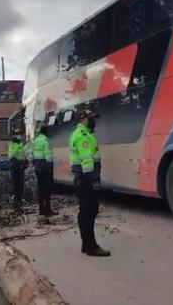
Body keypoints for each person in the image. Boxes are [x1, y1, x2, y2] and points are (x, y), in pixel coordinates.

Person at [69, 110, 111, 257]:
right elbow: (87, 160)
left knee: (85, 211)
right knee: (89, 211)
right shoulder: (83, 137)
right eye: (91, 118)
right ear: (83, 120)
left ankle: (86, 244)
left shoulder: (77, 134)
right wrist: (93, 180)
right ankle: (91, 246)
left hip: (82, 179)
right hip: (87, 179)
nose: (93, 120)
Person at [32, 125, 57, 217]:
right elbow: (48, 157)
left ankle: (41, 209)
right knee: (47, 188)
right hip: (45, 167)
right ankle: (47, 209)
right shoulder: (46, 141)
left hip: (38, 166)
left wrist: (35, 163)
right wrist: (50, 167)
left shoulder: (35, 141)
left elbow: (31, 154)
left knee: (40, 188)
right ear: (46, 132)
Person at [8, 134, 27, 212]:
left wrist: (25, 161)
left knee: (21, 184)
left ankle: (19, 200)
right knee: (16, 184)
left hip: (21, 166)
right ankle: (16, 202)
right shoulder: (12, 145)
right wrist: (17, 146)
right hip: (15, 166)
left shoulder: (20, 144)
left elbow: (23, 154)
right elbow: (11, 155)